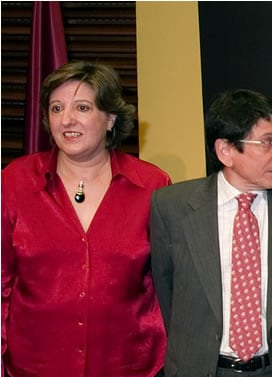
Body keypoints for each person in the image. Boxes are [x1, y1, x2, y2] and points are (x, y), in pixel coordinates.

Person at [150, 89, 272, 377]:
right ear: (226, 151)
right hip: (202, 368)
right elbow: (168, 295)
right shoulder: (171, 207)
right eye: (268, 142)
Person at [1, 61, 170, 376]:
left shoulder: (153, 185)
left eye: (81, 107)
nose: (66, 120)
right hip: (34, 367)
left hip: (131, 366)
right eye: (56, 108)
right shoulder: (15, 181)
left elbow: (169, 284)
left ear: (110, 119)